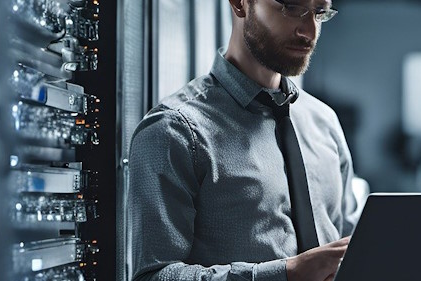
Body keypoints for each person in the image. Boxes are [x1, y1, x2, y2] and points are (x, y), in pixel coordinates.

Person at [128, 0, 361, 280]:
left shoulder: (324, 122)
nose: (309, 31)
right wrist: (285, 274)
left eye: (319, 12)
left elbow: (353, 248)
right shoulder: (172, 131)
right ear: (240, 4)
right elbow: (153, 276)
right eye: (291, 7)